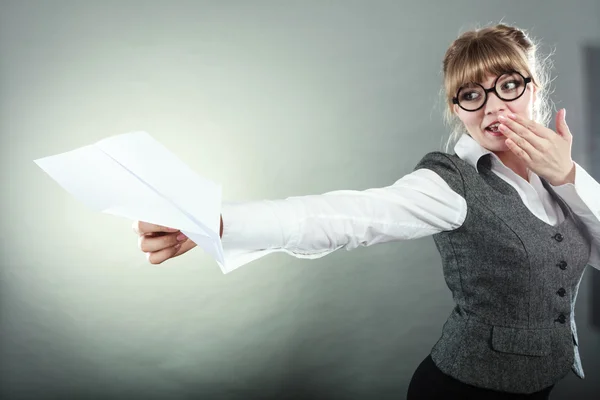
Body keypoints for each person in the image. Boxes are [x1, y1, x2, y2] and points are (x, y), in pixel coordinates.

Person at [131, 23, 600, 399]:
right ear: (458, 109)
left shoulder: (556, 171)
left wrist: (568, 176)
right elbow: (348, 217)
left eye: (508, 85)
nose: (493, 106)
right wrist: (217, 222)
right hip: (465, 388)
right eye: (472, 94)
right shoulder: (450, 183)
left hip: (542, 383)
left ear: (534, 88)